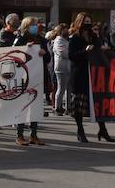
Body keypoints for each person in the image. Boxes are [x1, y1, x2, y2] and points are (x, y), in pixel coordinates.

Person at [67, 13, 111, 143]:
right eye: (85, 21)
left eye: (89, 21)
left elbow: (98, 50)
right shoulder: (74, 37)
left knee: (98, 102)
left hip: (94, 73)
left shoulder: (93, 36)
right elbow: (72, 56)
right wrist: (85, 50)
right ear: (80, 22)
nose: (88, 23)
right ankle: (80, 131)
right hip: (80, 74)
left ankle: (103, 130)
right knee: (79, 105)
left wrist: (103, 48)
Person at [13, 17, 47, 146]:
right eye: (33, 24)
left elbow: (48, 58)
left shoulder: (40, 39)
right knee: (22, 106)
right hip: (24, 77)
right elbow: (14, 55)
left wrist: (44, 53)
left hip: (37, 77)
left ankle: (33, 135)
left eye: (36, 24)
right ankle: (19, 135)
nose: (35, 26)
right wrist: (25, 49)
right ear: (26, 26)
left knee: (35, 106)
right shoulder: (20, 39)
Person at [49, 23, 72, 115]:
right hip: (61, 67)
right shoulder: (58, 41)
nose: (67, 31)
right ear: (60, 31)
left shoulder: (66, 40)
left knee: (68, 89)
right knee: (61, 88)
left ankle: (68, 107)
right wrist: (73, 53)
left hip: (68, 67)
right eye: (64, 29)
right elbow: (64, 53)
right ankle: (57, 107)